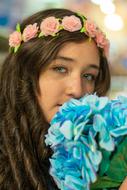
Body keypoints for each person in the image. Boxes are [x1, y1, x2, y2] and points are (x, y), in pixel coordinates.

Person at [0, 8, 126, 190]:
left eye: (89, 76)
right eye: (60, 68)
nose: (77, 90)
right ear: (25, 73)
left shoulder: (101, 157)